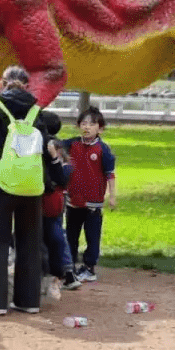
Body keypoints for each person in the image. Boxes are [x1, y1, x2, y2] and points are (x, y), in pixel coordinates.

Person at [0, 66, 60, 315]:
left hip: (0, 186)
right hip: (31, 187)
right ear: (27, 86)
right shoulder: (35, 110)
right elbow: (46, 144)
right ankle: (28, 301)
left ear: (1, 83)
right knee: (29, 243)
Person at [64, 107, 117, 283]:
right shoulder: (72, 144)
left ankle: (89, 267)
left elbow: (110, 173)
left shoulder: (103, 150)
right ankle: (69, 266)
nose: (87, 127)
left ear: (100, 129)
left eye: (92, 124)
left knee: (92, 236)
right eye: (83, 123)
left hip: (93, 203)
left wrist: (112, 196)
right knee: (71, 234)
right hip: (73, 201)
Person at [44, 137, 81, 292]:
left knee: (57, 235)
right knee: (49, 237)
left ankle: (67, 271)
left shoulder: (65, 166)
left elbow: (59, 179)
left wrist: (53, 159)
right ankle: (54, 271)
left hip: (54, 207)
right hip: (46, 206)